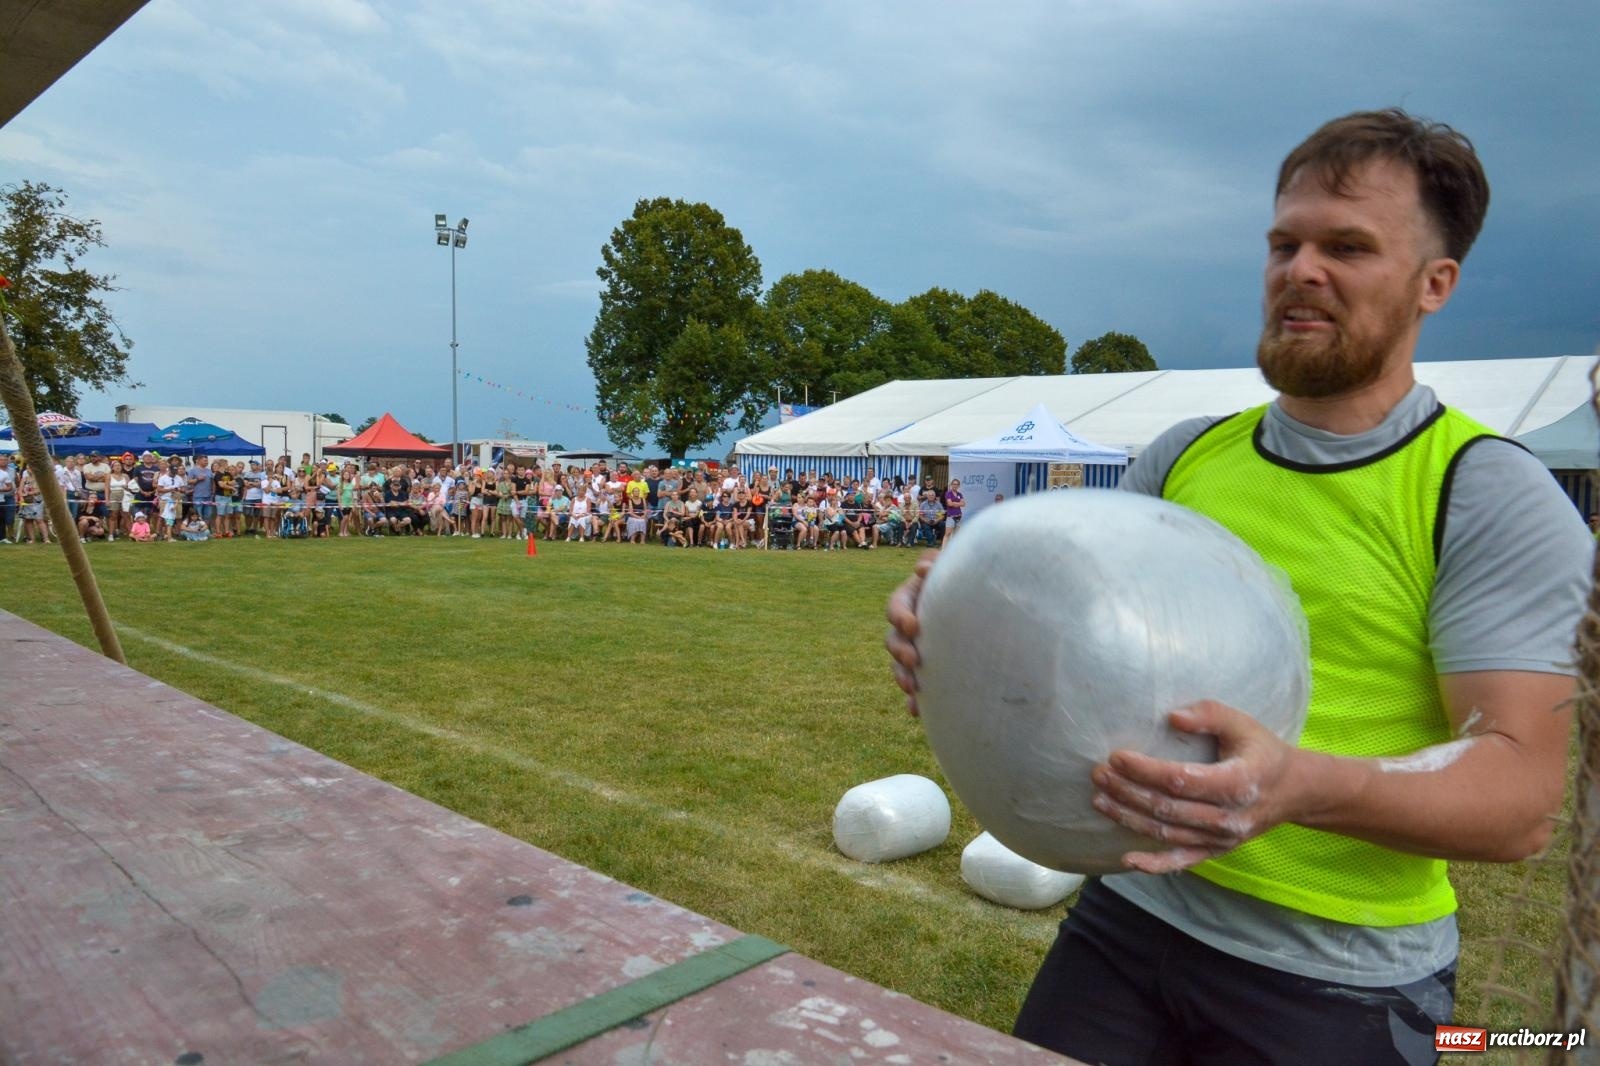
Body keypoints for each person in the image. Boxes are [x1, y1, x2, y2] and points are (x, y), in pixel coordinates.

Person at [884, 109, 1591, 1065]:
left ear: (1436, 284)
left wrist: (1297, 785)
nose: (1302, 269)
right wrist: (960, 617)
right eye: (1284, 242)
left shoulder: (1483, 492)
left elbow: (1521, 797)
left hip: (1340, 976)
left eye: (1347, 246)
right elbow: (1069, 636)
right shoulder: (1183, 458)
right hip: (1127, 923)